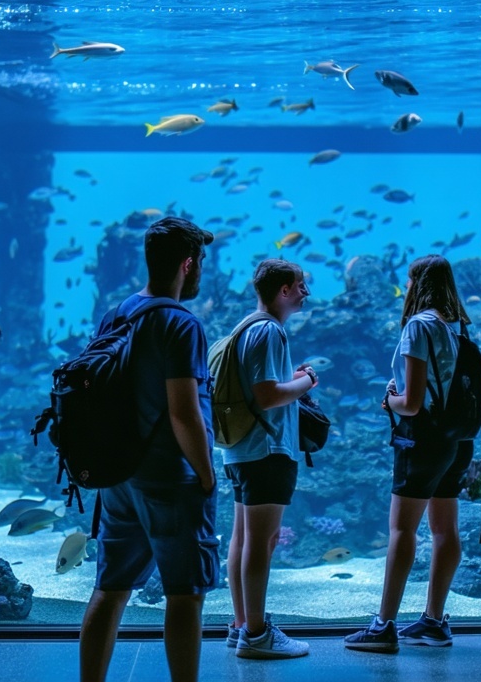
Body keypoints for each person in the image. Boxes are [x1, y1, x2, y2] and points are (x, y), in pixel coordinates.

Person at [79, 216, 219, 682]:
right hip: (170, 477)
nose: (200, 270)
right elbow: (184, 412)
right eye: (200, 262)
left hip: (119, 474)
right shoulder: (182, 325)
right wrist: (206, 473)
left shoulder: (117, 314)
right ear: (187, 264)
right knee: (185, 593)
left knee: (111, 588)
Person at [345, 254, 473, 654]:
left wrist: (390, 399)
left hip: (422, 441)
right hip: (456, 440)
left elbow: (412, 402)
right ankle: (434, 621)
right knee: (445, 529)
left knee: (403, 529)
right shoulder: (458, 326)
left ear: (418, 283)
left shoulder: (419, 326)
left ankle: (384, 626)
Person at [222, 258, 317, 660]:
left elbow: (259, 385)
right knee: (262, 541)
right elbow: (267, 396)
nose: (305, 293)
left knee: (243, 539)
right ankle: (258, 635)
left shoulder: (246, 328)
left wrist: (289, 377)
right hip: (267, 450)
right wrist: (307, 380)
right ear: (282, 290)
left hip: (242, 449)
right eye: (299, 285)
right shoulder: (270, 332)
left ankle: (241, 625)